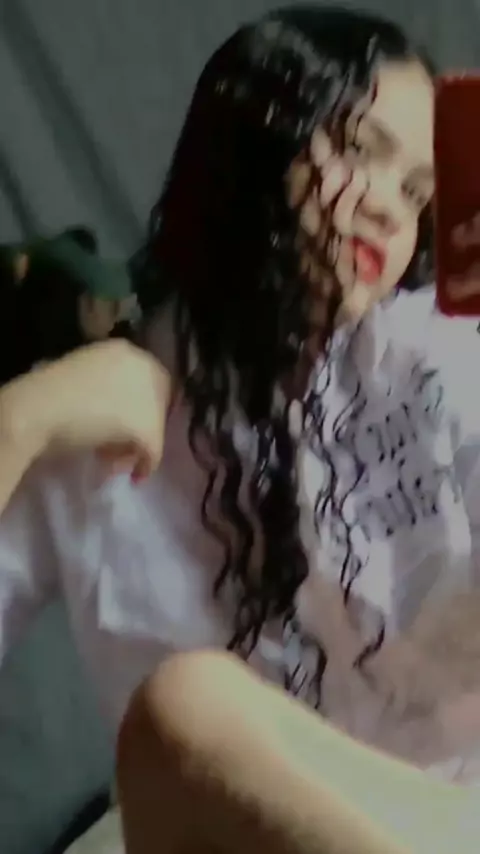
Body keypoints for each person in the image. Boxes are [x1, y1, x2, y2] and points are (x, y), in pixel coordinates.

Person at [2, 3, 480, 799]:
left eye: (415, 191)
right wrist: (22, 420)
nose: (390, 209)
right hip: (229, 828)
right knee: (191, 711)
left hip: (441, 820)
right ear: (259, 135)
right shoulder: (98, 419)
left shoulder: (433, 356)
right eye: (359, 149)